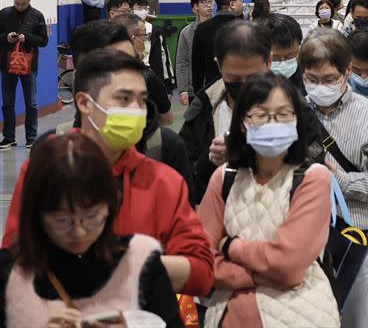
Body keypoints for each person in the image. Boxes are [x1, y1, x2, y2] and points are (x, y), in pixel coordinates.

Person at [2, 50, 214, 296]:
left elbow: (201, 273)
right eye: (123, 99)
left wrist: (124, 265)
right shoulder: (46, 169)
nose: (136, 110)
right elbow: (14, 259)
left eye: (142, 100)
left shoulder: (163, 181)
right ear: (84, 104)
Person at [198, 73, 339, 328]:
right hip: (227, 317)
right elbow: (201, 259)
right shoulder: (224, 178)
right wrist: (259, 273)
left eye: (283, 114)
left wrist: (231, 247)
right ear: (242, 123)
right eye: (261, 115)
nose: (273, 123)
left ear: (297, 120)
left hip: (299, 316)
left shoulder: (313, 179)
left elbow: (288, 264)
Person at [0, 133, 183, 328]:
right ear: (36, 214)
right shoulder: (10, 271)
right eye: (62, 220)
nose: (79, 232)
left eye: (91, 217)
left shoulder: (141, 262)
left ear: (110, 206)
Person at [298, 29, 368, 328]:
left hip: (355, 238)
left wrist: (338, 182)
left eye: (329, 79)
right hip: (302, 240)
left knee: (353, 321)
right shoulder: (293, 114)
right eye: (312, 80)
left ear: (346, 73)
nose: (320, 87)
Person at [65, 20, 190, 198]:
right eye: (112, 66)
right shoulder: (51, 158)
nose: (128, 75)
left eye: (131, 64)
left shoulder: (167, 150)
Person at [181, 20, 272, 203]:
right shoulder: (203, 108)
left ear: (269, 62)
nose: (245, 85)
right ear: (219, 65)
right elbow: (186, 179)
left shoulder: (294, 108)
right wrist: (209, 161)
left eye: (254, 77)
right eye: (234, 78)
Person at [0, 0, 48, 150]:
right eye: (17, 3)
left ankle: (31, 138)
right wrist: (6, 37)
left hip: (29, 65)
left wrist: (27, 37)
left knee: (31, 103)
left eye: (23, 4)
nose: (20, 6)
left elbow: (43, 41)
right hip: (7, 64)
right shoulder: (4, 14)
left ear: (29, 0)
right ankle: (8, 138)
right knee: (7, 103)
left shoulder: (37, 16)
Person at [108, 15, 175, 127]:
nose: (146, 39)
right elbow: (167, 119)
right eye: (144, 34)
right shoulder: (146, 77)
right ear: (132, 38)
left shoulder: (94, 69)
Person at [192, 0, 244, 91]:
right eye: (240, 0)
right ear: (232, 4)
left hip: (211, 90)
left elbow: (197, 67)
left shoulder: (202, 29)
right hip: (239, 89)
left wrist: (199, 94)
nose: (242, 3)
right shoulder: (245, 29)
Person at [177, 0, 214, 106]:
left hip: (217, 86)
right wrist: (183, 90)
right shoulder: (187, 32)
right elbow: (182, 62)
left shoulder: (220, 28)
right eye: (204, 2)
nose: (209, 5)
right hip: (195, 89)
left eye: (211, 1)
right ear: (195, 8)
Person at [263, 13, 307, 96]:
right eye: (275, 58)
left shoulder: (309, 77)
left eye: (289, 56)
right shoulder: (251, 80)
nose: (283, 63)